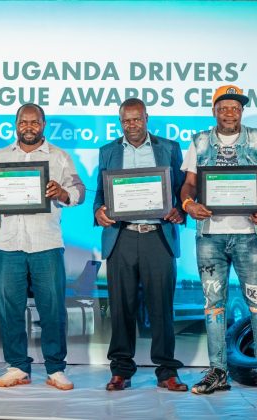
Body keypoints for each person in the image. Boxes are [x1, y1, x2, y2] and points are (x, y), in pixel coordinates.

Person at [179, 85, 257, 398]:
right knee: (213, 306)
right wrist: (188, 205)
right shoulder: (199, 141)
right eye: (223, 107)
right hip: (210, 235)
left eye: (235, 108)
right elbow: (188, 184)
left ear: (241, 111)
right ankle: (218, 372)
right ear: (214, 111)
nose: (229, 113)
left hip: (249, 235)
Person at [0, 103, 85, 390]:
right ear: (16, 125)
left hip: (46, 243)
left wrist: (62, 192)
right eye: (23, 122)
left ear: (43, 124)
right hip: (6, 242)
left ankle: (55, 368)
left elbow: (79, 191)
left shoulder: (60, 157)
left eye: (34, 122)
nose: (28, 127)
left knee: (52, 309)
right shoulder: (2, 156)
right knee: (9, 309)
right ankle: (17, 367)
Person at [93, 98, 187, 392]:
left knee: (162, 307)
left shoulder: (169, 148)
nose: (131, 125)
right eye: (126, 120)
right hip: (121, 236)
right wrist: (98, 212)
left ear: (147, 118)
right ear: (120, 122)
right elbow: (100, 193)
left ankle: (167, 371)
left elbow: (182, 189)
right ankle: (121, 370)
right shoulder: (108, 151)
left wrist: (181, 210)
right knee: (121, 307)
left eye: (137, 119)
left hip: (158, 235)